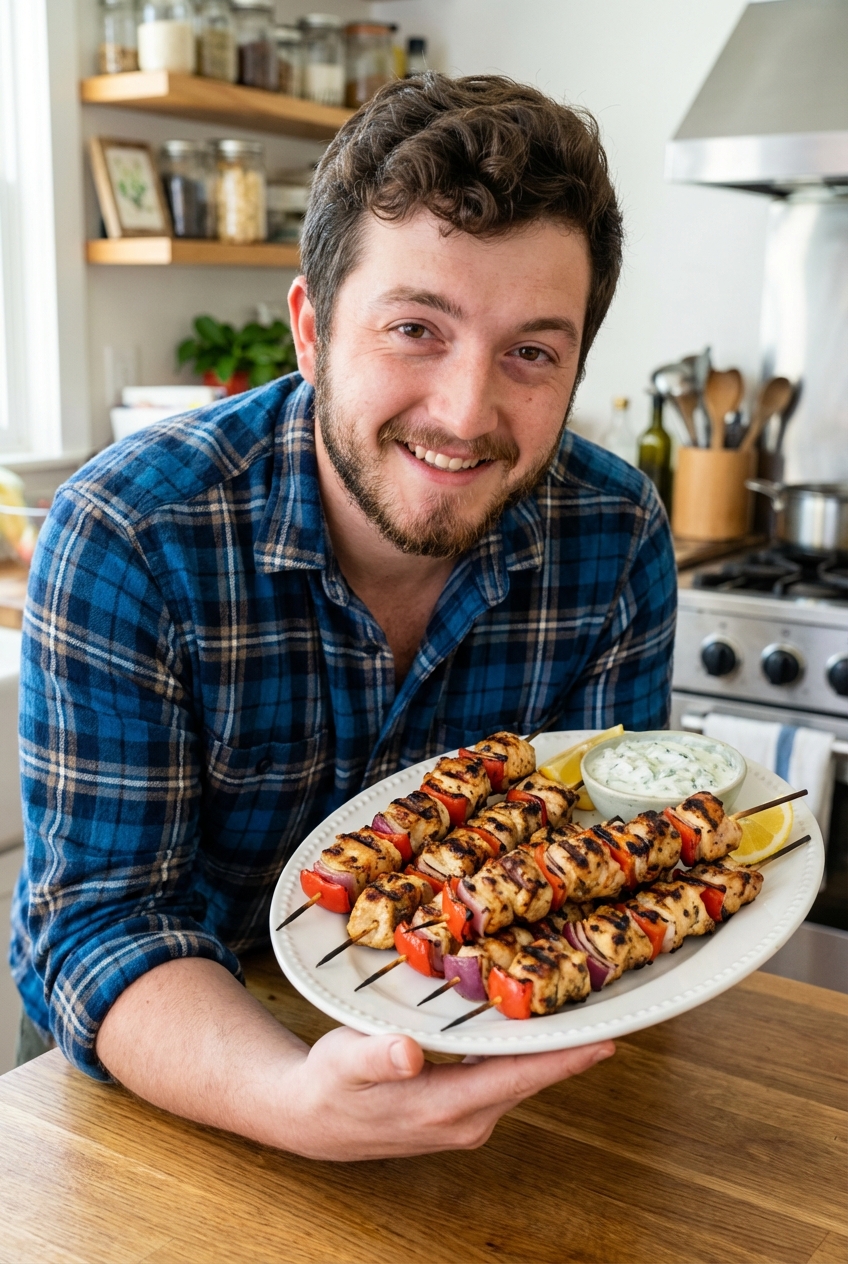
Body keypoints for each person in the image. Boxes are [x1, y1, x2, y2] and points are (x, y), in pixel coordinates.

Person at [10, 74, 676, 1159]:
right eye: (415, 327)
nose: (464, 414)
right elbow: (97, 922)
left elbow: (604, 852)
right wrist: (292, 1099)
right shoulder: (130, 534)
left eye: (530, 353)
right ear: (311, 331)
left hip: (509, 1082)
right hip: (186, 1108)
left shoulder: (614, 534)